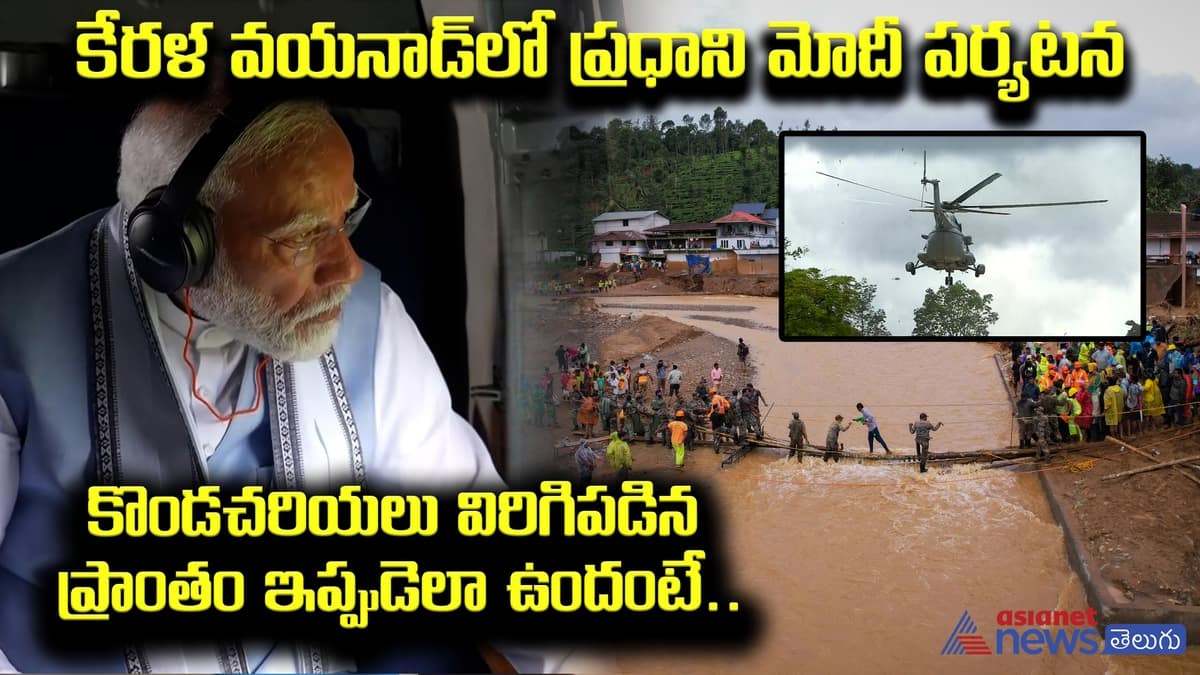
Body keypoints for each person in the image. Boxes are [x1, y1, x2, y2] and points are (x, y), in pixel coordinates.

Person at [0, 96, 581, 672]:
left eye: (346, 219)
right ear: (179, 246)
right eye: (301, 237)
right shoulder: (13, 324)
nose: (348, 268)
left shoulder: (369, 321)